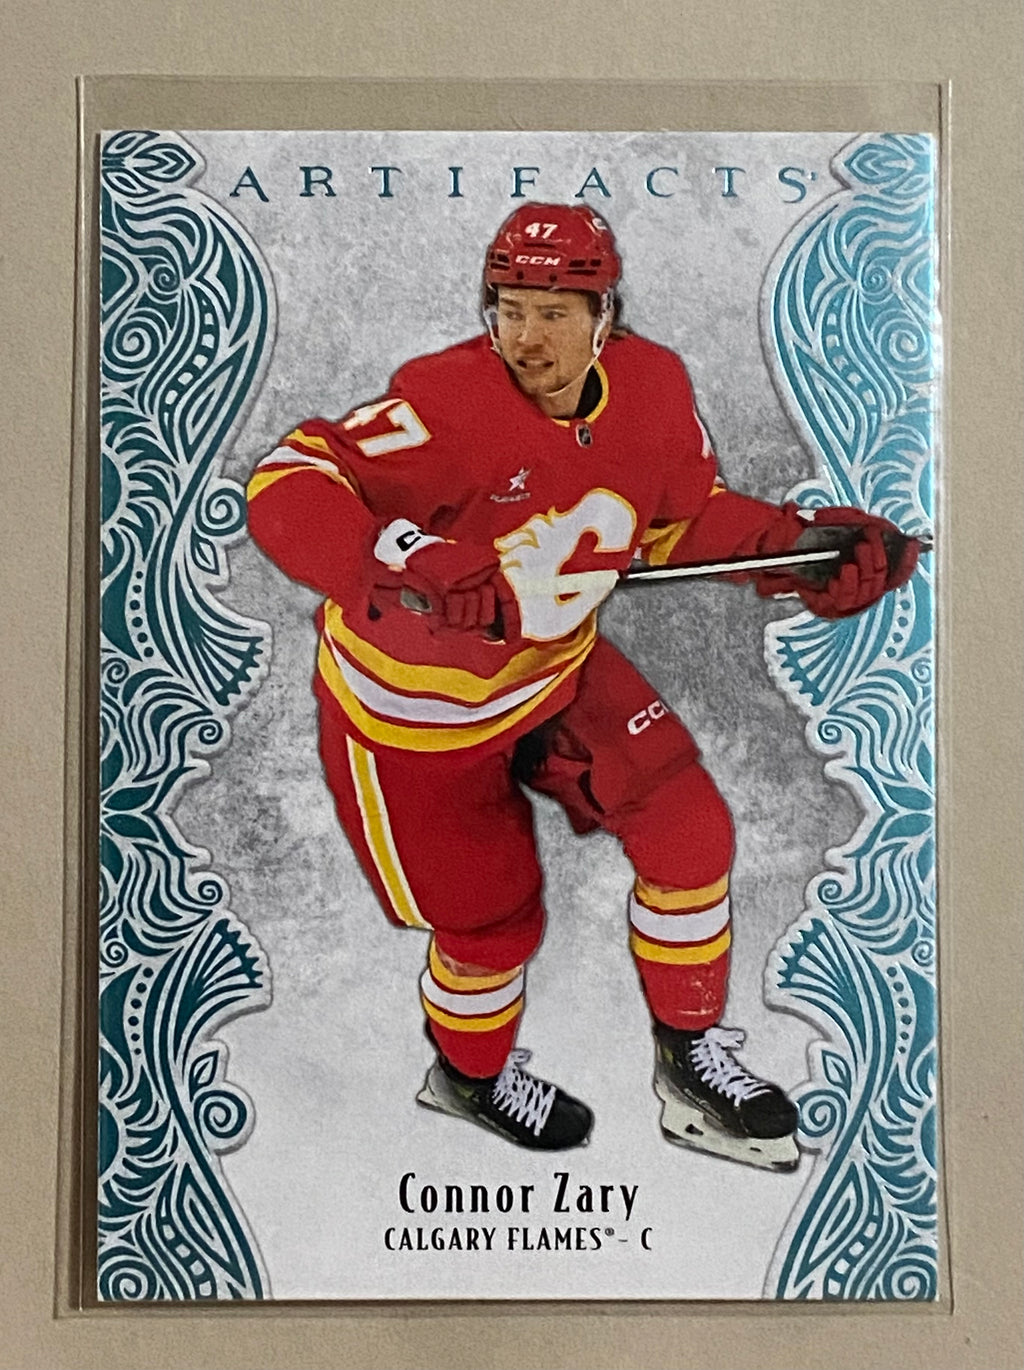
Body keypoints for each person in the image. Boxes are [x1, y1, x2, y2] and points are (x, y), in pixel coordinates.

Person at [247, 203, 919, 1171]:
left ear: (607, 316)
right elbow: (289, 479)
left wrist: (799, 548)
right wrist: (397, 552)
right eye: (510, 310)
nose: (528, 338)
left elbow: (675, 523)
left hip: (554, 672)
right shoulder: (443, 403)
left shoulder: (652, 386)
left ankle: (690, 1060)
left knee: (690, 831)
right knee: (491, 924)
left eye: (556, 313)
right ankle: (469, 1077)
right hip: (415, 718)